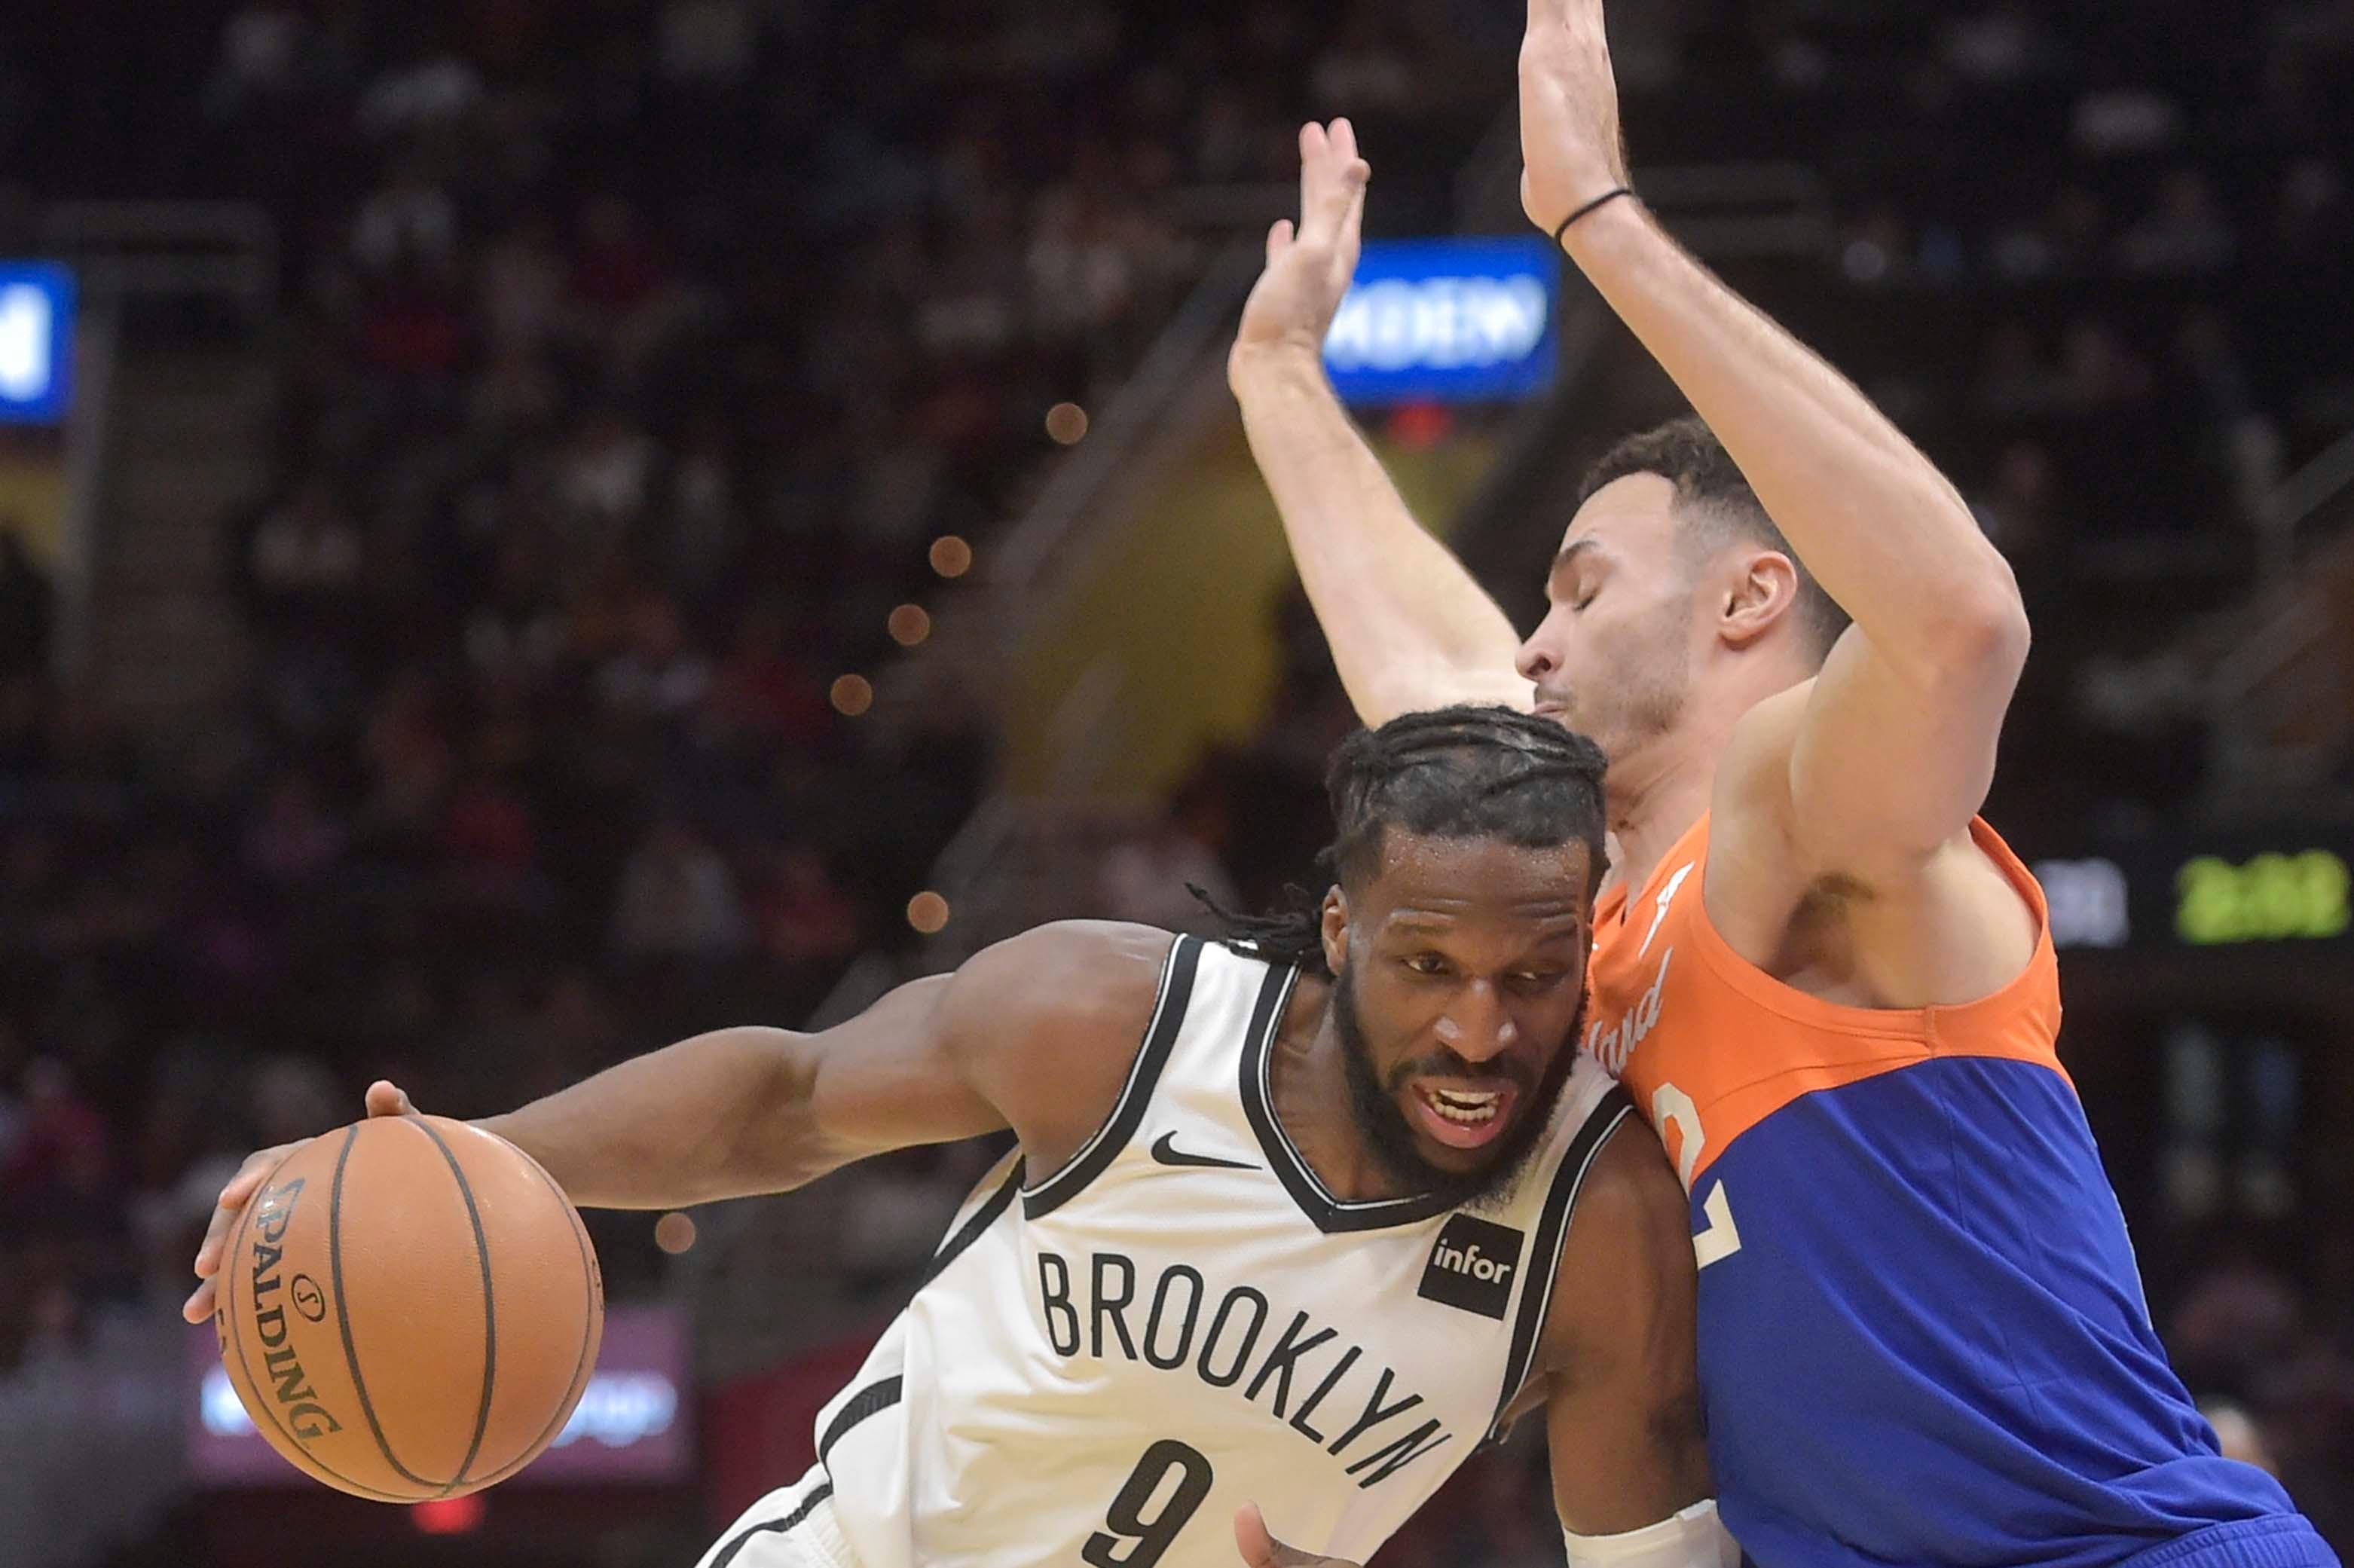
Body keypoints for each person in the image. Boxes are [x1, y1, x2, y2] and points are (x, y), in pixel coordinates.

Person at [1223, 3, 2340, 1566]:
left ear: (1747, 601)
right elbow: (1426, 674)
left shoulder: (1792, 810)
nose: (1531, 647)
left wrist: (1596, 221)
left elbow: (1957, 620)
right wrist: (1275, 371)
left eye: (1578, 591)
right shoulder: (1610, 905)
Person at [184, 707, 1734, 1568]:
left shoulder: (1598, 1232)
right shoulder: (1113, 1024)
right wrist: (455, 1162)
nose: (1478, 1032)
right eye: (1428, 972)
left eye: (1532, 980)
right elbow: (784, 1103)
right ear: (1338, 931)